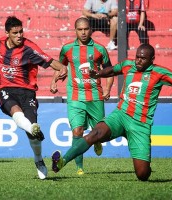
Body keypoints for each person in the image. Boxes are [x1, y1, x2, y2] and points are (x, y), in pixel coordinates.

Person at [51, 43, 172, 181]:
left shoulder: (160, 73)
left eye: (143, 58)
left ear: (152, 59)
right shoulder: (128, 65)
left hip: (140, 124)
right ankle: (62, 162)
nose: (138, 60)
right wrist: (98, 74)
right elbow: (112, 70)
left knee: (142, 174)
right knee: (95, 133)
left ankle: (145, 161)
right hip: (120, 115)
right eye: (137, 57)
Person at [0, 16, 67, 180]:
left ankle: (38, 160)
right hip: (6, 89)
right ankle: (34, 130)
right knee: (15, 111)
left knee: (32, 133)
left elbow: (48, 61)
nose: (19, 35)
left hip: (27, 92)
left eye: (21, 31)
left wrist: (63, 68)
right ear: (7, 33)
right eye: (15, 33)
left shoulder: (29, 48)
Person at [50, 17, 114, 175]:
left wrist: (107, 88)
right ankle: (79, 168)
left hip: (95, 96)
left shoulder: (100, 49)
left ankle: (97, 142)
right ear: (75, 30)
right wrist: (54, 81)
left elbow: (110, 70)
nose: (83, 32)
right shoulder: (67, 49)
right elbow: (60, 67)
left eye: (86, 29)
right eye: (80, 29)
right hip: (75, 96)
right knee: (77, 131)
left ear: (90, 30)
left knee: (99, 132)